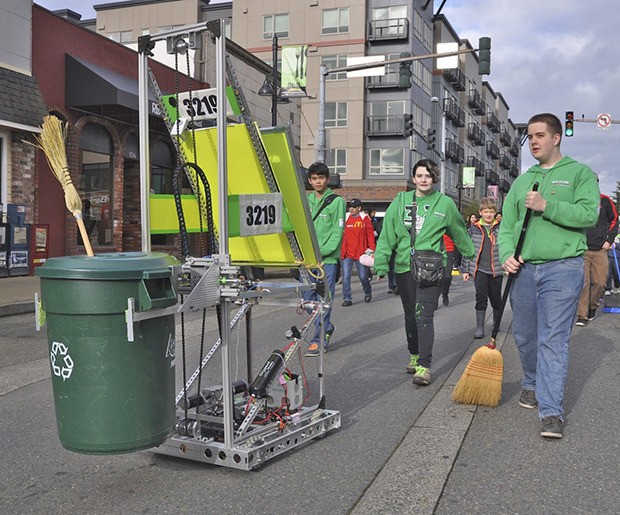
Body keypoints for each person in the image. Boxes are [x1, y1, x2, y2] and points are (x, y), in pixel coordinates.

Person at [498, 112, 599, 439]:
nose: (534, 142)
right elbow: (507, 227)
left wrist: (546, 206)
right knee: (525, 337)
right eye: (530, 136)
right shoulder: (521, 181)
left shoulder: (579, 173)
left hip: (563, 268)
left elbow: (589, 214)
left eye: (540, 135)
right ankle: (530, 382)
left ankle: (551, 411)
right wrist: (507, 255)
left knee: (552, 339)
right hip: (524, 270)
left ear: (556, 137)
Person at [374, 159, 475, 385]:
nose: (423, 180)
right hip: (403, 266)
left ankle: (424, 366)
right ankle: (414, 353)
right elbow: (387, 235)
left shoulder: (445, 204)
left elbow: (459, 232)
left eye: (428, 176)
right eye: (419, 175)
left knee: (424, 316)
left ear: (434, 179)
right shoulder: (400, 202)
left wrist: (473, 256)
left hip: (431, 267)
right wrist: (381, 264)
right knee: (411, 316)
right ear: (413, 178)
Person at [302, 162, 346, 357]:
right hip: (307, 259)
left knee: (324, 300)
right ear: (309, 180)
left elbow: (338, 232)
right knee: (306, 301)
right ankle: (326, 326)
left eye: (321, 178)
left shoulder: (337, 202)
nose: (317, 181)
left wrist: (323, 252)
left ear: (327, 180)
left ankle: (318, 340)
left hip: (327, 261)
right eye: (314, 178)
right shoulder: (305, 200)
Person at [461, 197, 503, 339]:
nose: (489, 214)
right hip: (480, 269)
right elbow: (468, 250)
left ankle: (496, 323)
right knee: (480, 297)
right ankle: (480, 328)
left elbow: (506, 247)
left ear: (495, 213)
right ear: (481, 212)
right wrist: (465, 270)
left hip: (496, 269)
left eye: (491, 211)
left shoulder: (500, 228)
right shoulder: (474, 229)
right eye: (486, 211)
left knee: (496, 299)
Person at [575, 190, 618, 326]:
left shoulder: (605, 200)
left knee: (600, 283)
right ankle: (582, 315)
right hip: (583, 249)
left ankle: (592, 307)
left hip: (600, 249)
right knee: (584, 283)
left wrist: (609, 240)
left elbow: (614, 220)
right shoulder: (579, 199)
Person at [340, 198, 375, 306]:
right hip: (347, 253)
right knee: (346, 277)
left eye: (354, 207)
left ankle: (368, 291)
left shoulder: (364, 219)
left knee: (363, 276)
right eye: (350, 207)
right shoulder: (345, 218)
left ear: (359, 208)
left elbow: (370, 235)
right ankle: (347, 298)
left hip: (361, 253)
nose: (351, 209)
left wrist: (371, 249)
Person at [441, 234, 455, 307]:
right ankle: (434, 298)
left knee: (448, 276)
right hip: (435, 249)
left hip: (449, 248)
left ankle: (445, 292)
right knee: (436, 276)